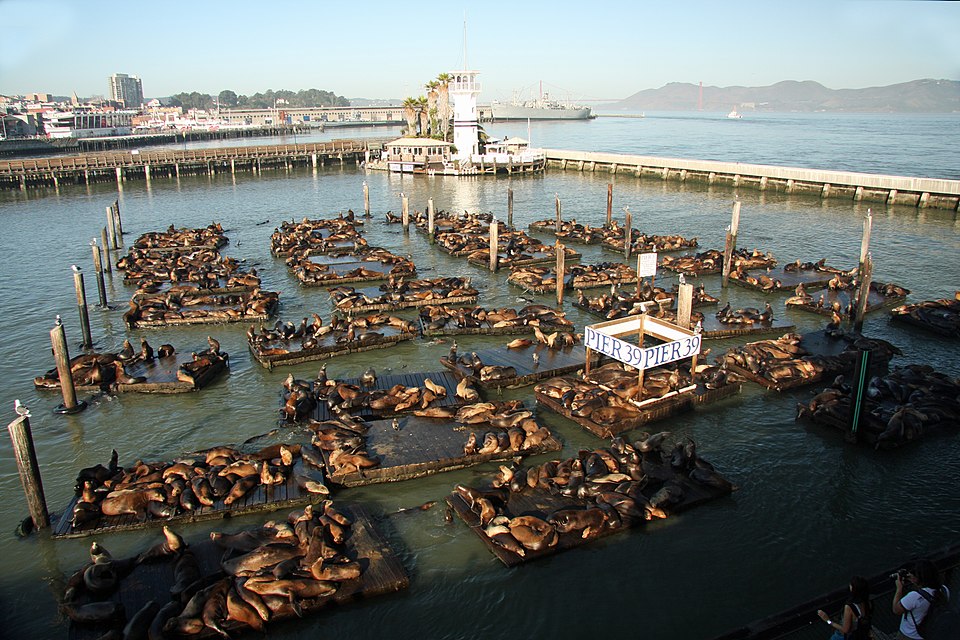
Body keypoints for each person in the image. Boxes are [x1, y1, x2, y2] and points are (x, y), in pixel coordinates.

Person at [893, 559, 950, 640]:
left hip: (910, 635)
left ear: (918, 578)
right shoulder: (944, 590)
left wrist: (899, 589)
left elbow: (896, 610)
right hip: (931, 633)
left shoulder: (915, 596)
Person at [817, 575, 873, 640]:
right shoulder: (869, 603)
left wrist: (828, 620)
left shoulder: (850, 607)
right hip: (861, 634)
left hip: (844, 637)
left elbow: (846, 630)